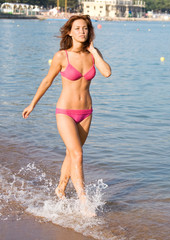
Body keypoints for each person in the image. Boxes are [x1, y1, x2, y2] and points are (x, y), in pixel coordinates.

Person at [22, 15, 111, 216]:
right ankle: (83, 201)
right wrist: (32, 104)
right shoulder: (61, 56)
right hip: (65, 112)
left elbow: (107, 72)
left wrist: (95, 53)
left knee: (71, 154)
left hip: (86, 112)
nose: (82, 32)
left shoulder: (92, 55)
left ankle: (60, 189)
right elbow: (47, 81)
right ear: (69, 32)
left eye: (85, 28)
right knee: (78, 154)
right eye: (78, 28)